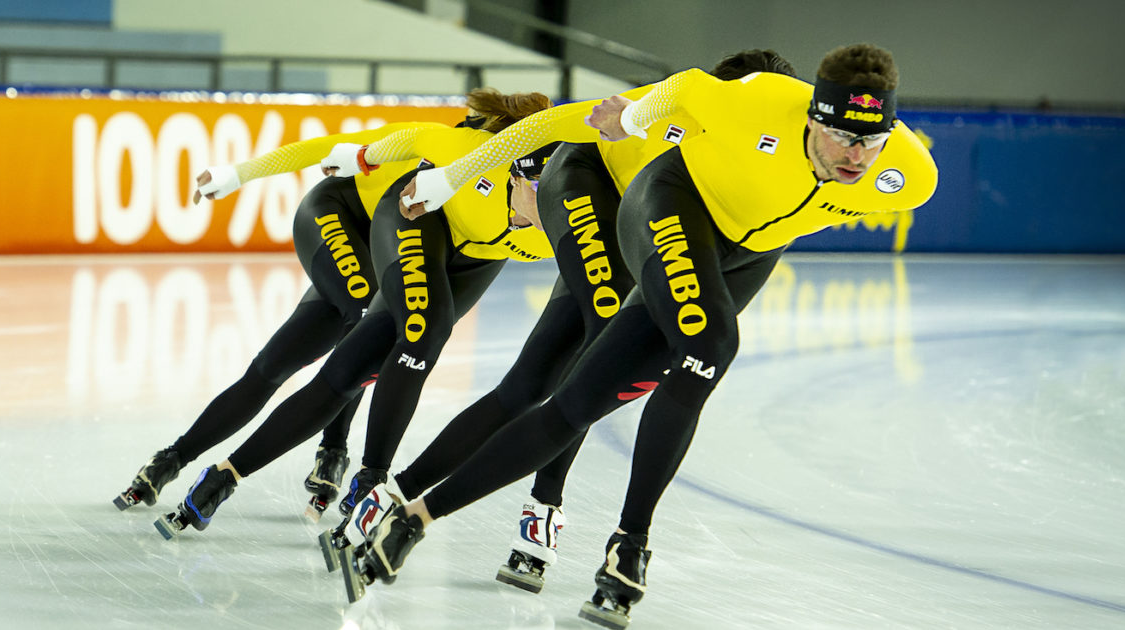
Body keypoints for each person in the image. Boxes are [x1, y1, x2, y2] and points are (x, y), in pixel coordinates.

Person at [355, 43, 938, 628]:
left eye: (870, 141)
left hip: (741, 250)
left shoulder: (908, 175)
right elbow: (628, 101)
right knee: (702, 343)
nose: (856, 156)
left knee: (585, 394)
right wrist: (460, 173)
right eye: (842, 136)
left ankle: (416, 517)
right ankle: (576, 519)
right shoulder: (746, 103)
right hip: (652, 199)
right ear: (810, 115)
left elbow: (834, 179)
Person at [323, 49, 796, 595]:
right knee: (596, 349)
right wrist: (453, 175)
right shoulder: (682, 107)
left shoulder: (784, 162)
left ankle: (397, 495)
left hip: (645, 230)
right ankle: (544, 506)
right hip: (586, 183)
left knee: (530, 385)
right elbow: (549, 124)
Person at [111, 89, 544, 523]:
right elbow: (327, 147)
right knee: (358, 319)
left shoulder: (538, 213)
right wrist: (240, 172)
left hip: (418, 250)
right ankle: (332, 448)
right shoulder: (451, 145)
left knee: (286, 360)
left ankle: (172, 458)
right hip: (341, 214)